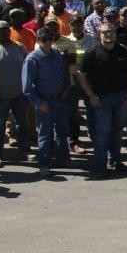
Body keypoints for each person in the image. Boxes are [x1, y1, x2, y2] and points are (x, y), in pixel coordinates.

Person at [77, 23, 127, 174]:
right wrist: (91, 95)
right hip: (101, 99)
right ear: (99, 34)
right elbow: (81, 75)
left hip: (121, 97)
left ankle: (115, 160)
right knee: (102, 131)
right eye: (105, 32)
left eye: (111, 32)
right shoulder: (92, 53)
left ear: (115, 34)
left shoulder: (123, 52)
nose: (108, 34)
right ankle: (100, 163)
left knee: (117, 130)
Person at [22, 26, 73, 175]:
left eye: (49, 39)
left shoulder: (57, 55)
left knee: (63, 131)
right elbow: (27, 87)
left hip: (60, 99)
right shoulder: (32, 59)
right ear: (38, 41)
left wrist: (66, 90)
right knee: (45, 133)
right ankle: (43, 163)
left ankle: (63, 158)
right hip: (45, 101)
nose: (47, 42)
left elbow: (65, 74)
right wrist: (39, 103)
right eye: (44, 40)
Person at [0, 20, 29, 168]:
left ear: (9, 31)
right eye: (0, 31)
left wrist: (26, 91)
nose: (3, 33)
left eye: (5, 30)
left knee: (21, 124)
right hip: (0, 96)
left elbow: (27, 68)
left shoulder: (20, 47)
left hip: (19, 94)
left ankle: (23, 152)